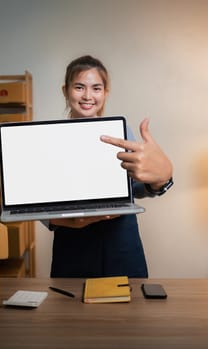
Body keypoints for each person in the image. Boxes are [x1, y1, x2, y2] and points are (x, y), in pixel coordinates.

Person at [48, 55, 173, 278]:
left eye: (96, 88)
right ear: (65, 91)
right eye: (79, 87)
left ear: (105, 93)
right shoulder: (50, 137)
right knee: (70, 309)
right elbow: (42, 191)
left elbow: (135, 187)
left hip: (120, 238)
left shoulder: (121, 132)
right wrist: (52, 219)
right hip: (72, 239)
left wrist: (158, 182)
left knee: (128, 308)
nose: (88, 96)